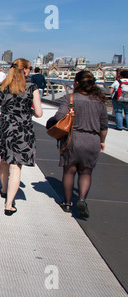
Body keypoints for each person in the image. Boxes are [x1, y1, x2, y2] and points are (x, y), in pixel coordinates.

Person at [49, 70, 108, 218]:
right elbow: (104, 126)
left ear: (76, 83)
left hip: (73, 139)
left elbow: (60, 117)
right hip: (92, 139)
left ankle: (67, 203)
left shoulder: (70, 98)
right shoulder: (100, 101)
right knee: (86, 172)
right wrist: (102, 141)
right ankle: (81, 199)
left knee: (69, 171)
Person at [0, 58, 43, 216]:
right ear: (26, 70)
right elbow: (39, 113)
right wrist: (30, 111)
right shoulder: (31, 87)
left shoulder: (1, 87)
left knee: (4, 161)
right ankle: (9, 204)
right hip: (22, 128)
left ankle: (3, 189)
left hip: (5, 127)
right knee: (16, 166)